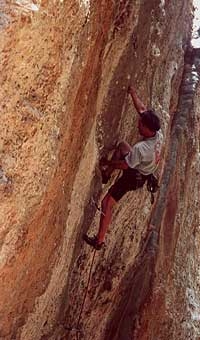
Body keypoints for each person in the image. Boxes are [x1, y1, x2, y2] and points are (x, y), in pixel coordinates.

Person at [83, 85, 163, 250]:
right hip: (144, 170)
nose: (137, 126)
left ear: (148, 129)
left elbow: (125, 166)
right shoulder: (158, 133)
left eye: (140, 125)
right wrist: (132, 92)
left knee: (107, 203)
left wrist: (107, 162)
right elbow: (142, 109)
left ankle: (99, 241)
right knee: (122, 146)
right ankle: (106, 176)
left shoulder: (142, 149)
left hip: (133, 177)